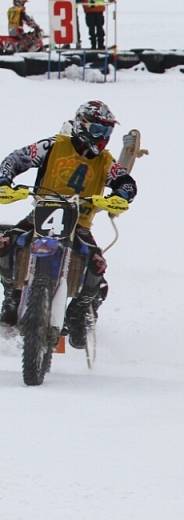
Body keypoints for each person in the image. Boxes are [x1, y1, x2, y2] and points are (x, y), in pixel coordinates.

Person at [0, 101, 137, 349]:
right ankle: (11, 294)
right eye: (98, 130)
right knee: (4, 244)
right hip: (41, 216)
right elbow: (16, 159)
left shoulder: (105, 161)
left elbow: (125, 181)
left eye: (107, 132)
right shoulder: (53, 146)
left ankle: (79, 309)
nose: (102, 138)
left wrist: (120, 197)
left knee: (97, 266)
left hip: (79, 224)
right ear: (82, 125)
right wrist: (4, 182)